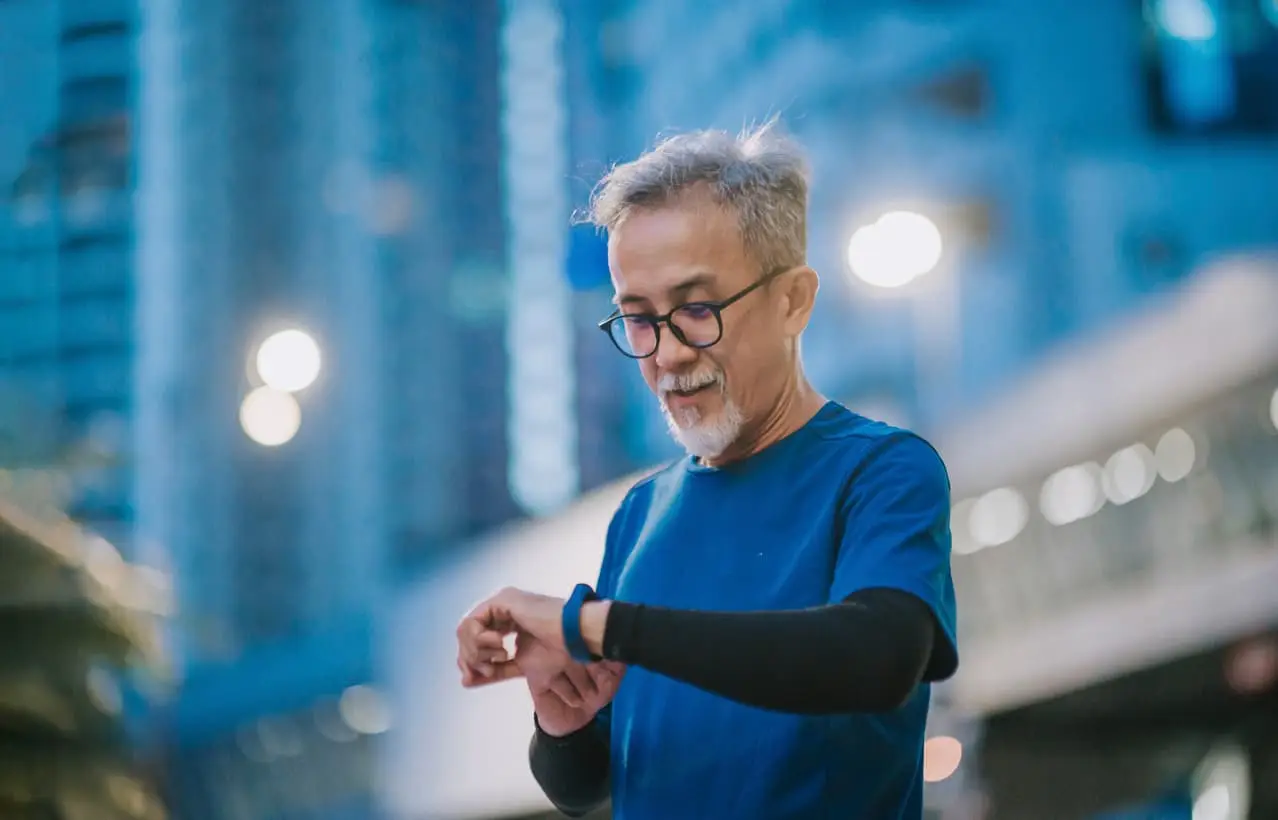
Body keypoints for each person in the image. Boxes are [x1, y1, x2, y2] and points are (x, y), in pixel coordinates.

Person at [455, 121, 958, 820]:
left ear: (794, 300)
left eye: (694, 309)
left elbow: (876, 657)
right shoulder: (641, 513)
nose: (665, 355)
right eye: (637, 318)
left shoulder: (881, 471)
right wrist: (561, 720)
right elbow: (591, 782)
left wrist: (600, 626)